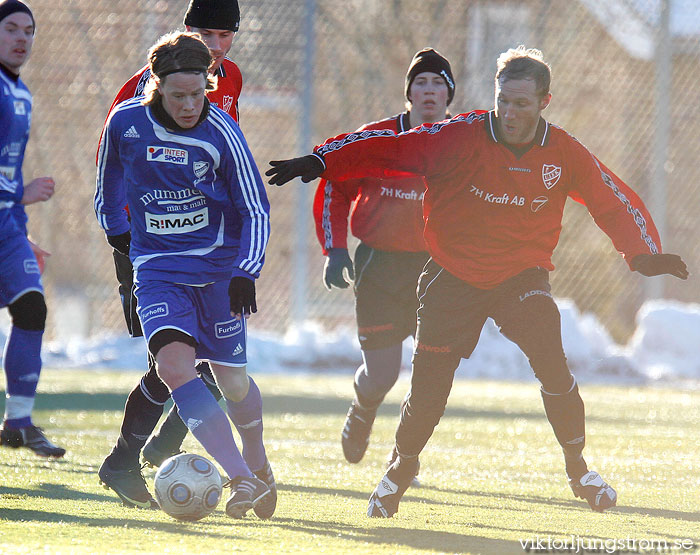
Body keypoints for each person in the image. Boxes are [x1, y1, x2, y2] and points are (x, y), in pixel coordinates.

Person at [266, 45, 689, 517]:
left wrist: (642, 254)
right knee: (428, 393)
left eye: (521, 104)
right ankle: (400, 469)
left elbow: (610, 197)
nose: (509, 112)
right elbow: (391, 145)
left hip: (520, 277)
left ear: (544, 102)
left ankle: (579, 469)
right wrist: (322, 161)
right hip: (453, 275)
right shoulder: (459, 135)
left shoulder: (562, 151)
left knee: (552, 359)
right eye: (503, 100)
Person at [96, 0, 278, 519]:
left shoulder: (221, 129)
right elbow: (106, 191)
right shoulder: (126, 122)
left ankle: (257, 462)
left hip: (218, 269)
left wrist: (246, 270)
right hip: (156, 269)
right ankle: (242, 480)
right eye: (179, 95)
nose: (190, 104)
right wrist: (122, 243)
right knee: (174, 366)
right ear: (155, 85)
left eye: (200, 93)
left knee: (233, 380)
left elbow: (255, 206)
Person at [313, 48, 457, 471]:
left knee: (430, 375)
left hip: (438, 268)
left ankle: (403, 456)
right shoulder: (377, 138)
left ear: (449, 94)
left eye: (438, 83)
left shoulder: (464, 142)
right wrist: (335, 248)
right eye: (421, 83)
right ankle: (362, 409)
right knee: (382, 376)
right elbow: (332, 185)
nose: (429, 91)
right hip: (380, 266)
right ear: (409, 92)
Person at [0, 0, 64, 458]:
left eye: (29, 31)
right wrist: (21, 196)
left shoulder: (21, 94)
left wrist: (21, 226)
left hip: (6, 225)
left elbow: (9, 172)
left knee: (31, 307)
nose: (21, 38)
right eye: (11, 29)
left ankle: (17, 423)